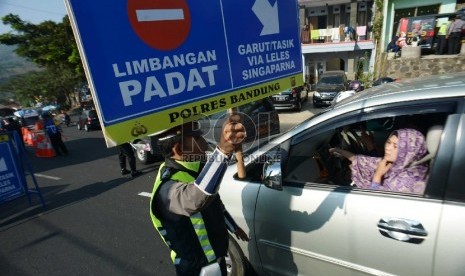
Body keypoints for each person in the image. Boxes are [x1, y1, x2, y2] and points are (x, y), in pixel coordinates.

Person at [149, 115, 249, 276]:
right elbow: (197, 198)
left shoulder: (193, 169)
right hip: (196, 269)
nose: (204, 143)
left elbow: (214, 203)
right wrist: (223, 152)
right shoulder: (166, 188)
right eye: (197, 138)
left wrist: (233, 227)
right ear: (179, 149)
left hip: (217, 260)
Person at [329, 128, 428, 194]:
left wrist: (377, 175)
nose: (388, 148)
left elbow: (374, 202)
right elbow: (360, 159)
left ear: (409, 150)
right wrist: (337, 150)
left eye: (395, 146)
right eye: (388, 142)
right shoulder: (397, 163)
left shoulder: (409, 181)